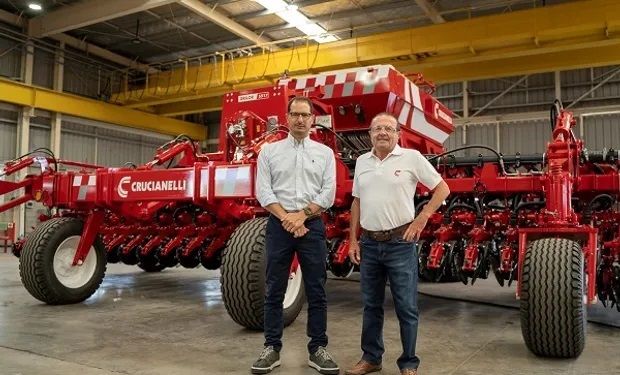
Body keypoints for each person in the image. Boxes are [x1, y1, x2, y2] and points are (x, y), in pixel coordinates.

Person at [345, 113, 450, 375]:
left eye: (388, 129)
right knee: (371, 305)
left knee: (406, 306)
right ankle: (371, 358)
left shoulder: (411, 158)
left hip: (400, 243)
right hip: (369, 244)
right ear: (370, 134)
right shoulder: (361, 162)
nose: (382, 132)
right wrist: (352, 239)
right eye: (377, 128)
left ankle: (409, 363)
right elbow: (356, 202)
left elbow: (443, 188)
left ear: (398, 133)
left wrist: (422, 218)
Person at [252, 96, 339, 375]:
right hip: (279, 225)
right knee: (274, 288)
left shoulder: (325, 153)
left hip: (311, 226)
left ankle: (318, 349)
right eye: (295, 115)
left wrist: (301, 216)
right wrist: (288, 218)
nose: (300, 120)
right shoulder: (269, 152)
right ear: (286, 118)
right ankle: (271, 348)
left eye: (305, 115)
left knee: (317, 290)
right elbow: (264, 192)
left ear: (313, 119)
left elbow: (328, 194)